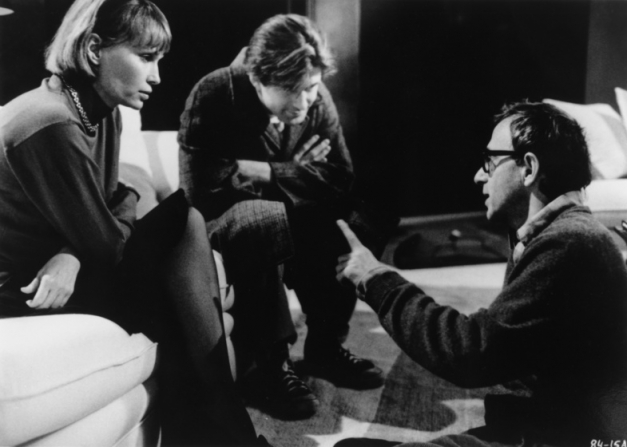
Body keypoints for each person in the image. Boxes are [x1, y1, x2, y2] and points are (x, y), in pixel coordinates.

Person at [0, 0, 269, 445]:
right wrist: (84, 243)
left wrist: (70, 253)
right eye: (146, 57)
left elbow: (118, 198)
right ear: (93, 50)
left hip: (60, 269)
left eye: (159, 60)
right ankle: (225, 431)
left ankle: (219, 431)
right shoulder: (50, 121)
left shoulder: (100, 112)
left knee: (184, 229)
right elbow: (108, 243)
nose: (157, 76)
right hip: (25, 290)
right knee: (183, 226)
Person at [335, 101, 627, 446]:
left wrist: (376, 278)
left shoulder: (569, 242)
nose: (478, 175)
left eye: (490, 161)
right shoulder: (556, 235)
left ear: (529, 168)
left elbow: (469, 352)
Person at [179, 13, 396, 419]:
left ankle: (325, 347)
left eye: (310, 88)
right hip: (226, 222)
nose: (305, 101)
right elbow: (204, 193)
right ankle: (271, 365)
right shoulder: (215, 92)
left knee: (360, 218)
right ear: (257, 78)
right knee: (264, 218)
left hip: (286, 212)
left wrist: (267, 171)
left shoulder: (315, 93)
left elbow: (339, 178)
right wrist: (298, 172)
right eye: (293, 91)